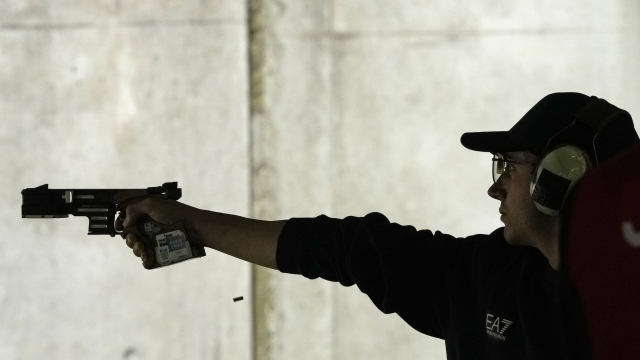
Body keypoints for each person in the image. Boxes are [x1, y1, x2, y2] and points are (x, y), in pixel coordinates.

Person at [115, 92, 639, 360]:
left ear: (561, 177)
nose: (495, 187)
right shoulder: (488, 276)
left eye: (509, 166)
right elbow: (347, 248)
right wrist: (192, 225)